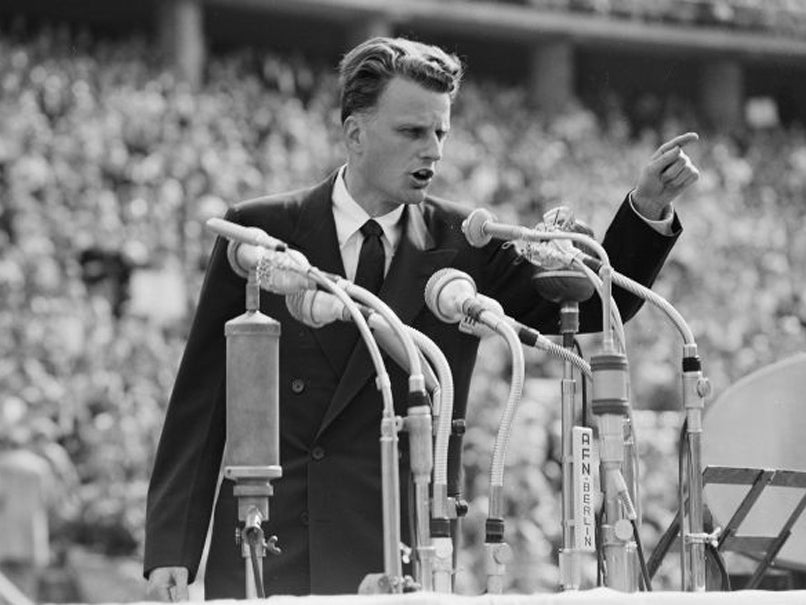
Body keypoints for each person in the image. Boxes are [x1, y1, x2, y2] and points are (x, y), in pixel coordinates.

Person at [144, 36, 699, 599]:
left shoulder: (467, 241)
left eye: (440, 133)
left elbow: (586, 309)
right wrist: (172, 546)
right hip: (272, 545)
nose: (432, 151)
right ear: (355, 134)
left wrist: (646, 210)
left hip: (401, 551)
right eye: (412, 132)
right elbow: (204, 395)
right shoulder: (261, 232)